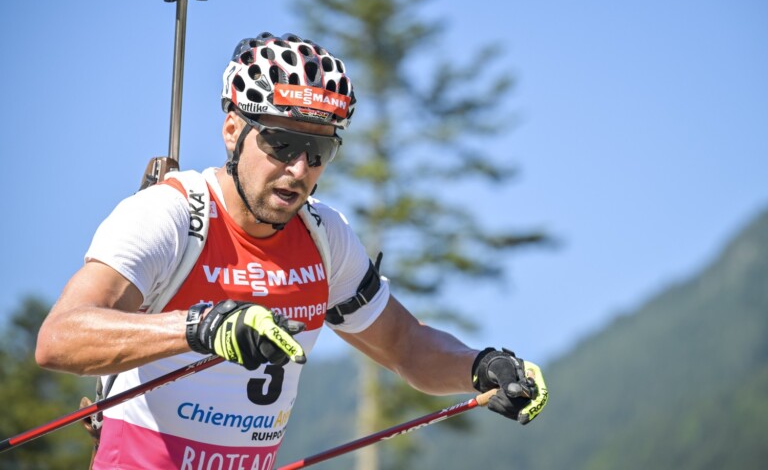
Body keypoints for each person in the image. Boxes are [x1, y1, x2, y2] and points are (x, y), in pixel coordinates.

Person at [35, 32, 548, 469]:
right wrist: (200, 327)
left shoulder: (324, 236)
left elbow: (406, 345)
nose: (299, 169)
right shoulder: (171, 216)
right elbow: (59, 338)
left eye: (319, 150)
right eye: (281, 143)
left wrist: (481, 366)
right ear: (233, 130)